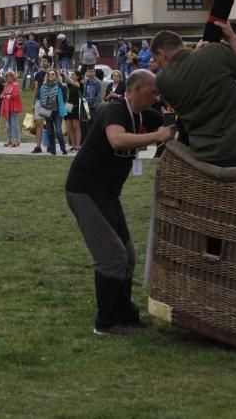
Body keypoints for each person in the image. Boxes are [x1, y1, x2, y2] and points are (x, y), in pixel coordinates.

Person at [65, 69, 175, 336]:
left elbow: (168, 126)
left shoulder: (142, 115)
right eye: (153, 92)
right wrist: (156, 137)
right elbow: (117, 140)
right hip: (85, 190)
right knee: (111, 257)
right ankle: (105, 322)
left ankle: (125, 314)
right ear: (136, 90)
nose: (156, 97)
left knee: (128, 256)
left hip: (108, 193)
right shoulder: (113, 111)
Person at [152, 23, 236, 167]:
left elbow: (187, 72)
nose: (158, 65)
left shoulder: (162, 81)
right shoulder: (215, 52)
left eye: (156, 60)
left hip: (204, 159)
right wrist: (231, 36)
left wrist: (194, 54)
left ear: (162, 54)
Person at [38, 69, 68, 155]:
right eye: (49, 74)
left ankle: (63, 149)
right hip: (47, 111)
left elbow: (65, 99)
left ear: (56, 76)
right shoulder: (43, 87)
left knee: (58, 131)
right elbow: (41, 99)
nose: (51, 76)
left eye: (53, 74)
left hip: (57, 111)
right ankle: (52, 150)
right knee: (50, 132)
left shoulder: (61, 86)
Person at [0, 70, 22, 148]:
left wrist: (6, 96)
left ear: (13, 77)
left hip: (14, 106)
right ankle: (9, 140)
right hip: (7, 106)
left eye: (10, 76)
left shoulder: (15, 85)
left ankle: (16, 140)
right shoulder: (6, 85)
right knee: (8, 125)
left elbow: (15, 95)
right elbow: (3, 93)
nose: (9, 78)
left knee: (14, 123)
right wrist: (2, 95)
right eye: (7, 77)